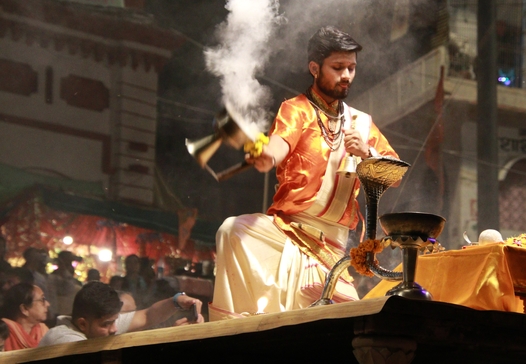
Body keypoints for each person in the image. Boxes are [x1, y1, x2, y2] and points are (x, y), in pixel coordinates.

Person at [211, 26, 398, 320]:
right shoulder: (296, 110)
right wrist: (267, 157)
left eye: (351, 68)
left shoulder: (362, 124)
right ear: (314, 68)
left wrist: (367, 153)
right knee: (231, 231)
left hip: (334, 247)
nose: (347, 75)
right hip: (287, 232)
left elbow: (395, 174)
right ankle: (232, 333)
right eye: (338, 68)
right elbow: (278, 147)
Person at [38, 281, 203, 346]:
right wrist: (173, 337)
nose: (114, 329)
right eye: (107, 324)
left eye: (114, 321)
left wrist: (178, 300)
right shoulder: (64, 339)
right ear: (82, 324)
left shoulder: (99, 325)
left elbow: (147, 316)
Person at [0, 283, 50, 350]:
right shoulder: (3, 333)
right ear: (24, 309)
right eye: (42, 300)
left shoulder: (43, 331)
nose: (48, 304)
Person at [47, 251, 82, 318]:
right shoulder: (53, 278)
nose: (71, 266)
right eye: (68, 262)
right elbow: (65, 290)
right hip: (58, 312)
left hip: (68, 311)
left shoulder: (71, 279)